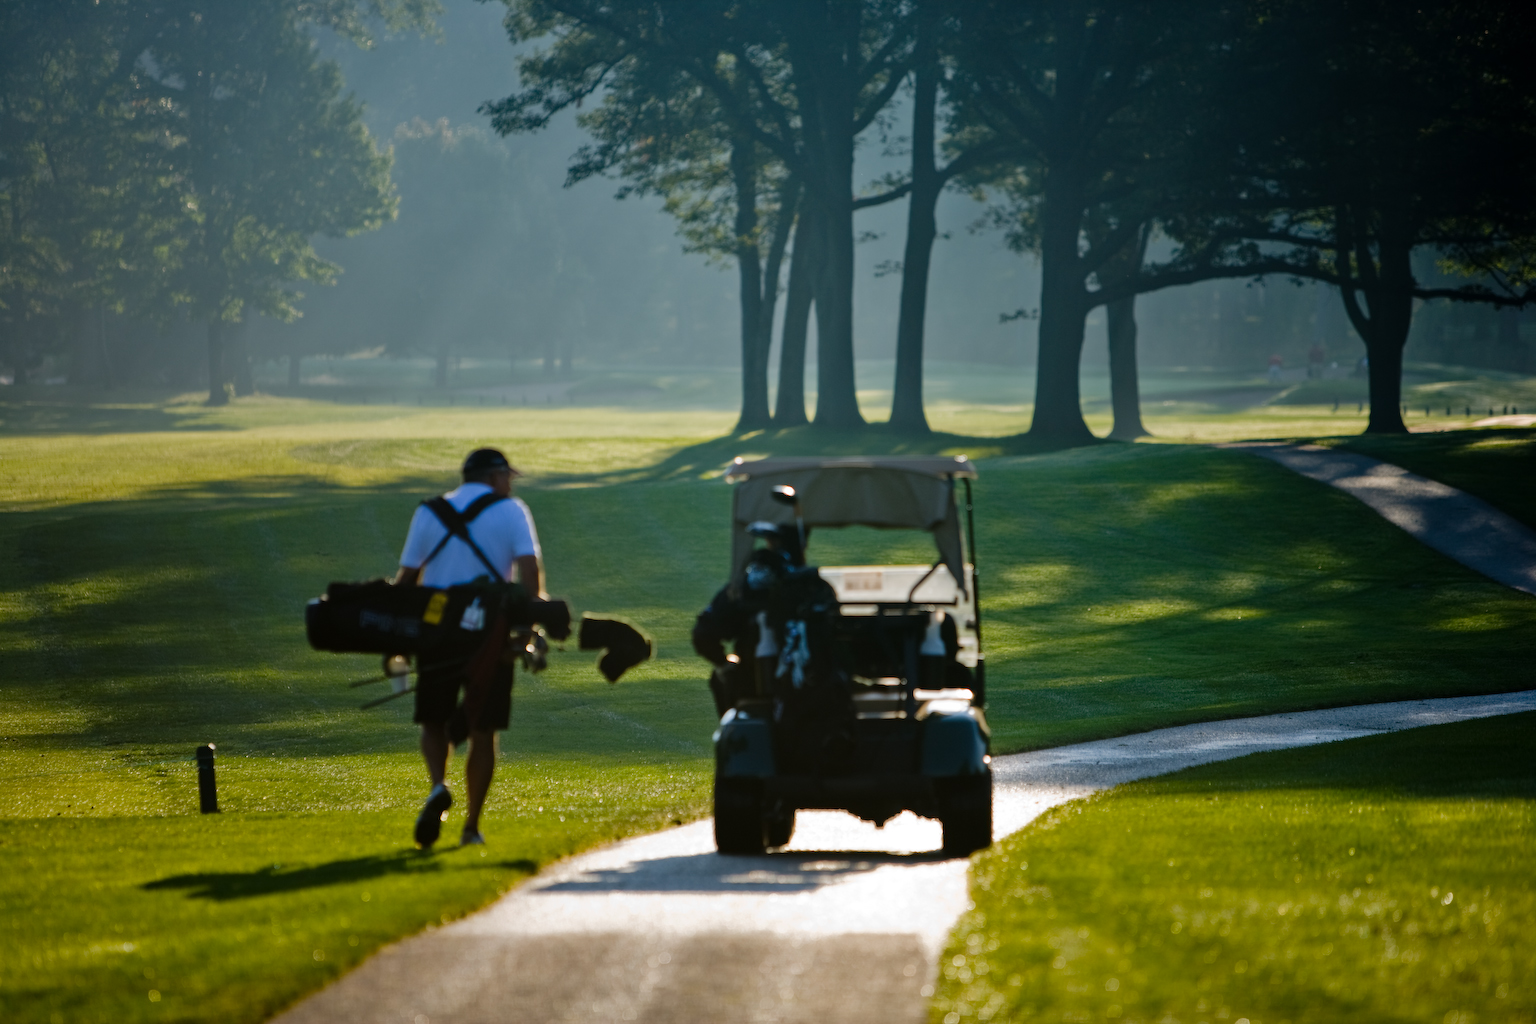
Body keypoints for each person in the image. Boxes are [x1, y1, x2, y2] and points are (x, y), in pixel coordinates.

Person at [395, 448, 544, 849]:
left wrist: (398, 639)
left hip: (437, 629)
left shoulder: (429, 511)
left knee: (432, 719)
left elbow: (407, 579)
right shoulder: (512, 510)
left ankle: (437, 786)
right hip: (490, 635)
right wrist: (526, 627)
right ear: (494, 477)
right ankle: (471, 827)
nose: (511, 483)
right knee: (483, 731)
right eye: (507, 476)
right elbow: (529, 570)